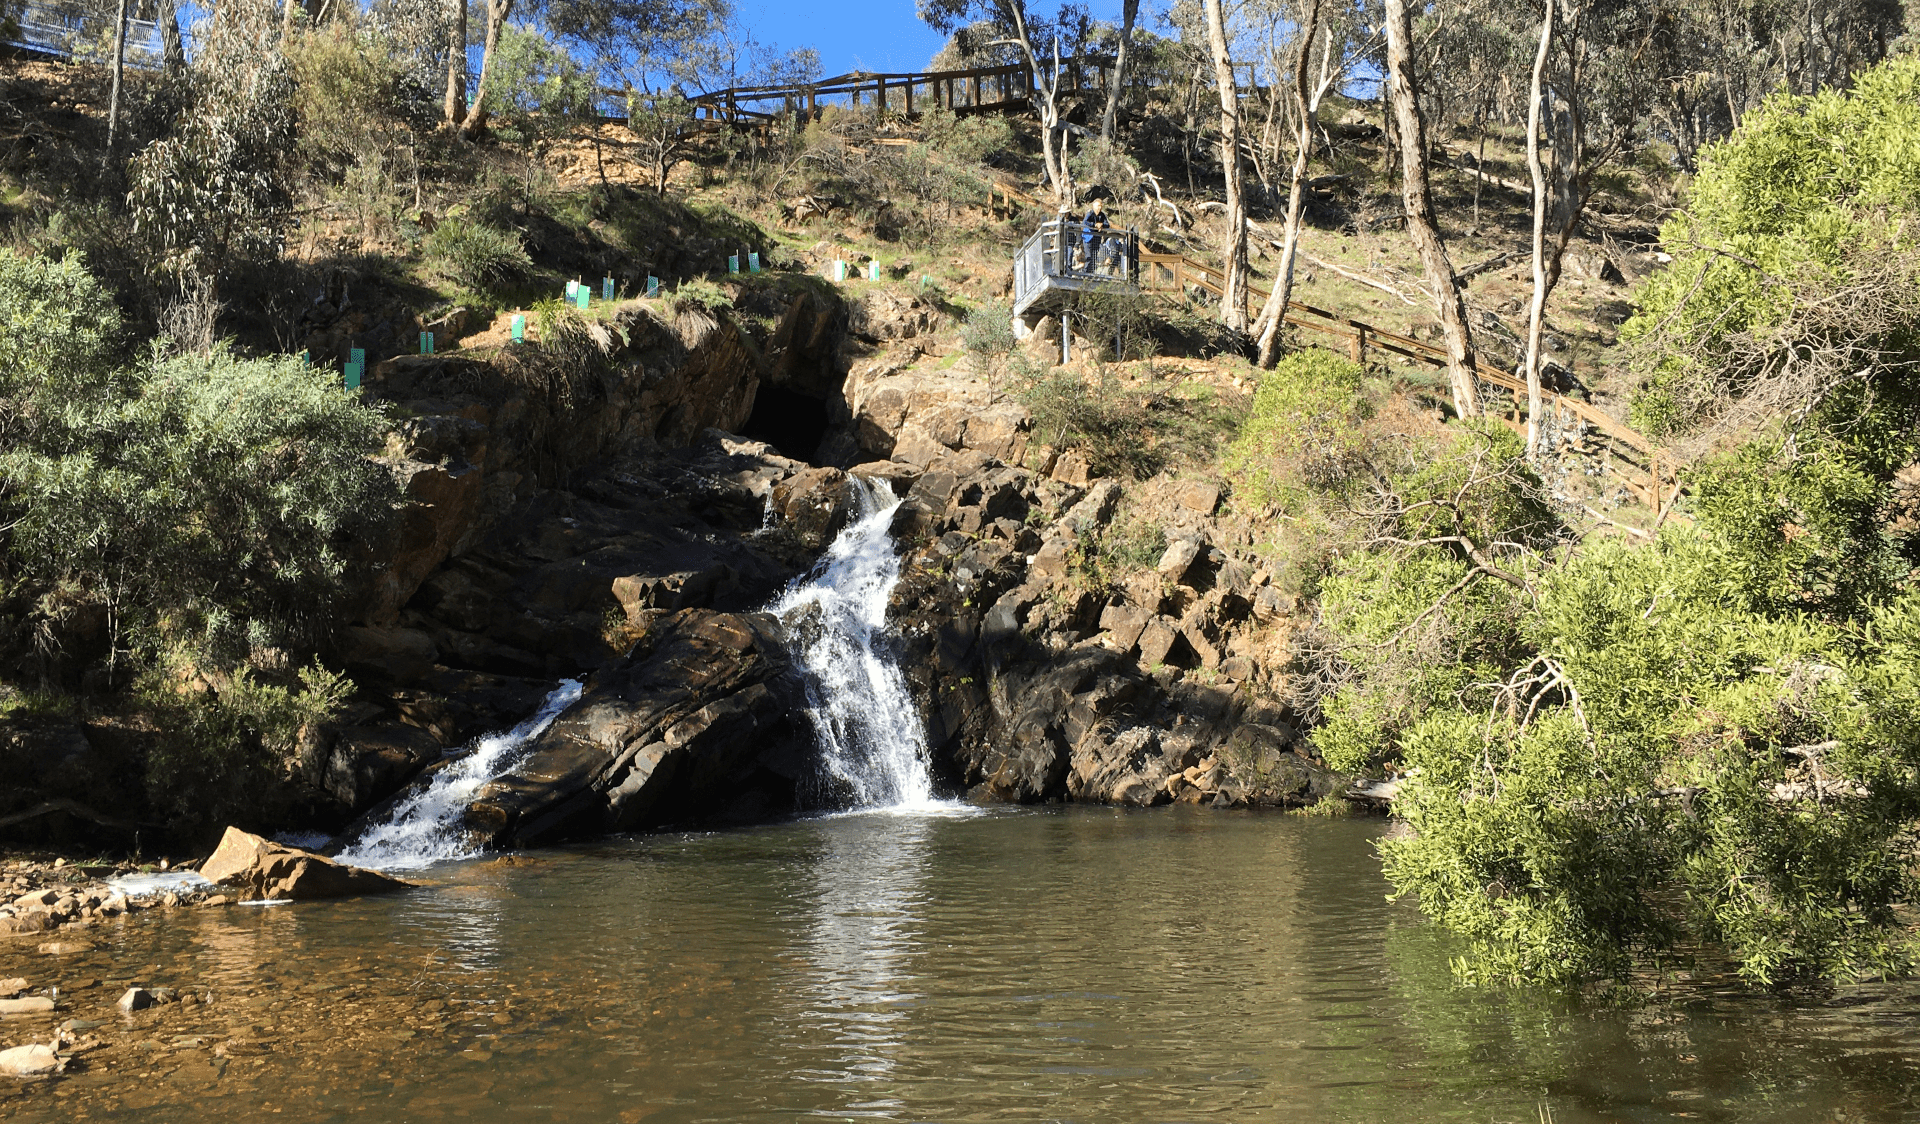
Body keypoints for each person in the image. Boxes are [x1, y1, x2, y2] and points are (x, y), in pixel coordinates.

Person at [1079, 202, 1109, 272]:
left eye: (1101, 206)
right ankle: (1085, 273)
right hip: (1088, 238)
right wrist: (1095, 225)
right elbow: (1085, 222)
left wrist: (1101, 225)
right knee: (1088, 256)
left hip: (1097, 238)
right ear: (1094, 206)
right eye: (1098, 206)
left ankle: (1091, 273)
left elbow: (1107, 224)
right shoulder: (1090, 213)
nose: (1100, 207)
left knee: (1094, 256)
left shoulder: (1102, 215)